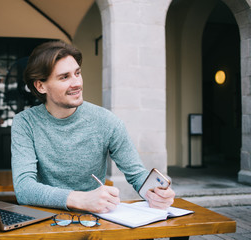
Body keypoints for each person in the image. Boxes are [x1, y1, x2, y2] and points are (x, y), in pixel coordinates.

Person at [11, 40, 175, 213]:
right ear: (40, 85)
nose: (77, 83)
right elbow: (24, 189)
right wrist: (81, 199)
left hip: (93, 221)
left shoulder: (107, 121)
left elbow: (136, 174)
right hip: (45, 219)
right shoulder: (25, 123)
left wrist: (154, 193)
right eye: (64, 77)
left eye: (77, 73)